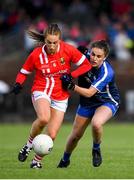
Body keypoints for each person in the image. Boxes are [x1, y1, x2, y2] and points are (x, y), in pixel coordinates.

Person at [11, 23, 92, 169]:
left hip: (61, 95)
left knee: (52, 135)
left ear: (60, 40)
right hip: (41, 90)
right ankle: (28, 146)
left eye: (55, 42)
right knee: (43, 118)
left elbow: (86, 65)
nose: (52, 46)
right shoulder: (36, 54)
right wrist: (18, 84)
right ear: (45, 40)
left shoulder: (68, 49)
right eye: (49, 42)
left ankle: (36, 161)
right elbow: (23, 73)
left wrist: (70, 75)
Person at [57, 40, 120, 168]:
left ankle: (96, 148)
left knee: (96, 124)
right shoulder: (85, 58)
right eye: (93, 54)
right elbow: (66, 51)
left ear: (105, 57)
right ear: (89, 52)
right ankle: (64, 161)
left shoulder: (107, 72)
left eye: (99, 56)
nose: (94, 58)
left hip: (106, 102)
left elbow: (90, 92)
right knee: (75, 136)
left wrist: (71, 85)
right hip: (87, 103)